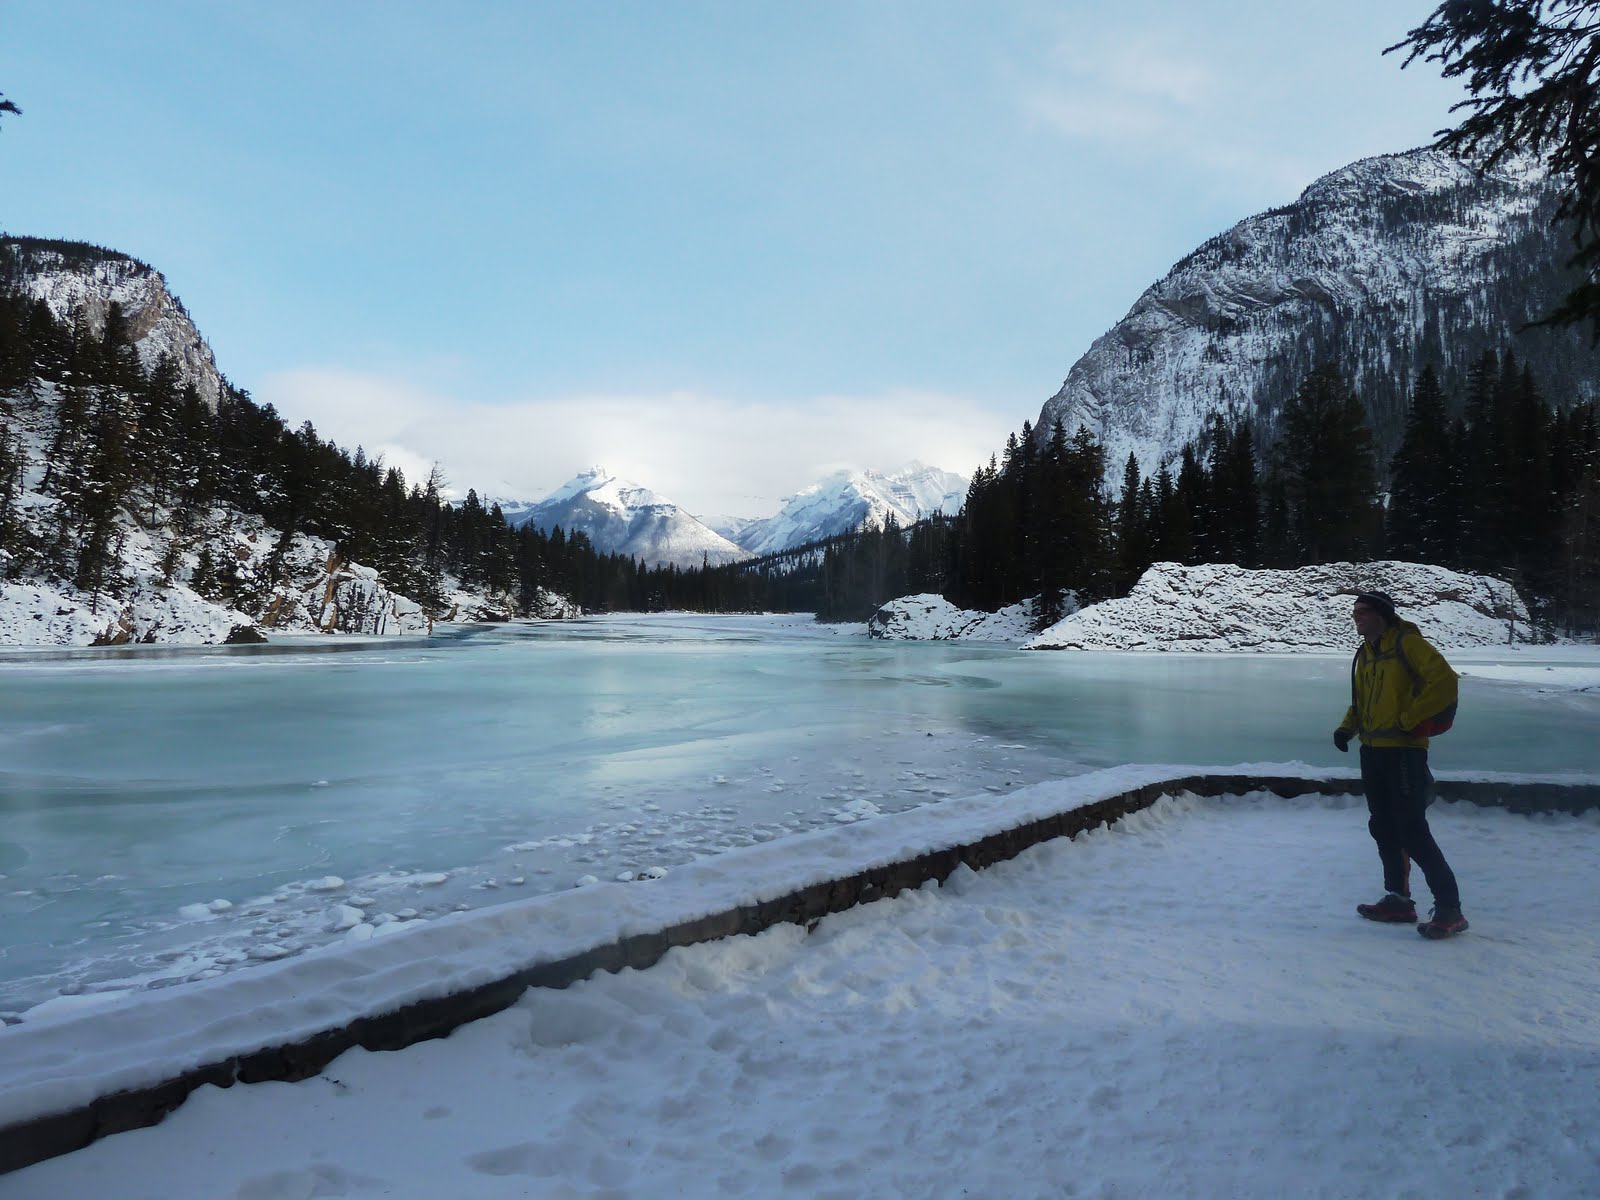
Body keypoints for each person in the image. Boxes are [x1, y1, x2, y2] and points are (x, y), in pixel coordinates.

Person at [1333, 590, 1467, 939]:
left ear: (1382, 614)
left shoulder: (1408, 644)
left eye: (1363, 611)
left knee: (1412, 830)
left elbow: (1445, 682)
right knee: (1383, 826)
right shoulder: (1366, 654)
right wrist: (1347, 727)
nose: (1356, 617)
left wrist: (1411, 718)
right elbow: (1361, 699)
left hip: (1405, 751)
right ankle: (1398, 900)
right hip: (1372, 750)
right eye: (1354, 612)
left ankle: (1450, 909)